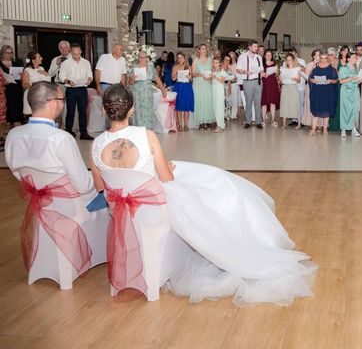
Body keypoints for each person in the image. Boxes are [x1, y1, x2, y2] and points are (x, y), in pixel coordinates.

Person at [91, 84, 316, 306]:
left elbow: (101, 186)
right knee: (213, 182)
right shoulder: (146, 136)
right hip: (154, 208)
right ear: (132, 109)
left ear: (104, 110)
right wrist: (163, 167)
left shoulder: (96, 145)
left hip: (123, 211)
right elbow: (167, 179)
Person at [6, 81, 95, 207]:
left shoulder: (13, 135)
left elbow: (18, 173)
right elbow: (84, 186)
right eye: (62, 100)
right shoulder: (61, 138)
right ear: (52, 103)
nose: (63, 104)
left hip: (40, 201)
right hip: (73, 204)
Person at [59, 43, 94, 140]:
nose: (76, 56)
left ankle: (84, 133)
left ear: (81, 52)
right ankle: (69, 131)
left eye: (78, 54)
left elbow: (90, 75)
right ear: (71, 52)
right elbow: (61, 76)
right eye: (74, 54)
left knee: (83, 112)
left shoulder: (86, 62)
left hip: (82, 89)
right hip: (71, 89)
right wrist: (68, 81)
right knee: (70, 111)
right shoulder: (65, 63)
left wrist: (90, 79)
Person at [129, 49, 166, 130]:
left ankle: (148, 128)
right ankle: (138, 128)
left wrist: (163, 89)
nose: (142, 59)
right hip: (137, 92)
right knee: (139, 110)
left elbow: (157, 78)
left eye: (144, 57)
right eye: (140, 57)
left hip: (148, 92)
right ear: (138, 58)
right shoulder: (134, 67)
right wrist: (132, 78)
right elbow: (130, 82)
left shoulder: (150, 67)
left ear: (147, 58)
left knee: (148, 110)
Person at [309, 51, 339, 135]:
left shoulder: (332, 69)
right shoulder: (315, 68)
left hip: (327, 92)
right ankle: (313, 129)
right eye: (321, 58)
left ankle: (325, 129)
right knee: (316, 110)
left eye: (325, 58)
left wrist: (330, 81)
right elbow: (310, 78)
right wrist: (312, 80)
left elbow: (336, 80)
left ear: (328, 58)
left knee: (326, 111)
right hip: (317, 92)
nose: (323, 60)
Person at [237, 41, 264, 129]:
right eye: (255, 47)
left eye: (257, 47)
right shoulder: (242, 57)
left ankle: (258, 122)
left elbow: (261, 69)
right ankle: (248, 121)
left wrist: (263, 73)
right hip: (247, 81)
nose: (257, 49)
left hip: (258, 81)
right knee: (248, 102)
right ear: (249, 47)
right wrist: (244, 71)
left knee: (258, 102)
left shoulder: (258, 57)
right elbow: (238, 69)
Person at [191, 44, 214, 130]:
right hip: (199, 83)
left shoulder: (210, 60)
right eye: (202, 48)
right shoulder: (195, 60)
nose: (204, 50)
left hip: (207, 82)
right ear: (199, 50)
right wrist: (199, 74)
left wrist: (209, 77)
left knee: (208, 101)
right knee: (200, 101)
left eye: (205, 48)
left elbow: (213, 72)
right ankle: (201, 122)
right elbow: (192, 73)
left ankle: (208, 121)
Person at [338, 52, 362, 137]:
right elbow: (341, 81)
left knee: (355, 109)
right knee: (345, 110)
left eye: (356, 58)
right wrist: (351, 78)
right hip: (346, 91)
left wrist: (360, 79)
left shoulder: (357, 68)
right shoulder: (343, 68)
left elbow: (359, 79)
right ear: (348, 59)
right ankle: (343, 129)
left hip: (355, 91)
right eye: (353, 58)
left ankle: (354, 129)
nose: (355, 59)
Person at [21, 51, 51, 117]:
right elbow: (24, 85)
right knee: (33, 115)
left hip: (42, 95)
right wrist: (35, 84)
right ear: (33, 60)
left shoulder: (41, 68)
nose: (41, 58)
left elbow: (48, 82)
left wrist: (46, 74)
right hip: (32, 95)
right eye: (39, 57)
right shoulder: (27, 71)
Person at [1, 45, 23, 126]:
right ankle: (6, 133)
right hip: (5, 91)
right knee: (7, 112)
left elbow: (21, 78)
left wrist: (22, 76)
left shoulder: (17, 62)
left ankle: (16, 132)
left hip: (16, 90)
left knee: (17, 111)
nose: (9, 55)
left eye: (11, 53)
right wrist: (3, 82)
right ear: (2, 53)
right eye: (7, 53)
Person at [172, 52, 194, 131]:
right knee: (179, 107)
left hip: (187, 86)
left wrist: (189, 77)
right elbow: (173, 79)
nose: (180, 59)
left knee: (186, 107)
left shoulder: (188, 66)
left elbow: (191, 79)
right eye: (178, 57)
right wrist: (178, 73)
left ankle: (186, 125)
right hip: (178, 87)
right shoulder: (175, 67)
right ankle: (180, 125)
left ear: (184, 58)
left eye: (181, 57)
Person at [279, 53, 302, 130]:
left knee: (296, 104)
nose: (289, 62)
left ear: (293, 60)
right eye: (287, 60)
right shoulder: (283, 69)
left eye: (290, 60)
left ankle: (299, 124)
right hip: (285, 88)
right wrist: (281, 81)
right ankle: (284, 124)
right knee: (284, 104)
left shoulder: (297, 69)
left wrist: (296, 79)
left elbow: (299, 81)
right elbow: (280, 81)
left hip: (293, 87)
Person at [329, 45, 349, 132]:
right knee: (338, 103)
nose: (345, 53)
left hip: (348, 84)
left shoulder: (350, 60)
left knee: (346, 105)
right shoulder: (338, 61)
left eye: (347, 51)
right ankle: (336, 124)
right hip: (338, 84)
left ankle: (347, 125)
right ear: (341, 52)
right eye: (344, 51)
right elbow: (334, 71)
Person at [261, 50, 280, 126]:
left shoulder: (275, 63)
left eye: (270, 55)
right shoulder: (261, 64)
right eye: (267, 55)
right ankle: (263, 121)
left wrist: (276, 72)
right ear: (264, 56)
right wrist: (263, 74)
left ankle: (273, 120)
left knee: (273, 102)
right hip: (264, 84)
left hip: (273, 84)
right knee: (264, 102)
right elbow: (259, 74)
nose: (269, 56)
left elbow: (277, 75)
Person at [302, 49, 320, 128]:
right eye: (317, 55)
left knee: (320, 104)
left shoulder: (322, 64)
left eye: (320, 55)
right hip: (310, 87)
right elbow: (306, 75)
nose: (318, 56)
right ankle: (310, 123)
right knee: (310, 104)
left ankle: (319, 124)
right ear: (313, 56)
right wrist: (314, 65)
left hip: (320, 87)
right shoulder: (309, 64)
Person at [290, 47, 306, 126]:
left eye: (294, 53)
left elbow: (305, 70)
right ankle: (294, 119)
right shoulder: (287, 61)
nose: (292, 55)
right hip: (291, 85)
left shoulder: (301, 61)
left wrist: (297, 63)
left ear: (296, 53)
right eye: (291, 54)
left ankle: (302, 120)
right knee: (293, 103)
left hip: (300, 85)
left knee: (300, 103)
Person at [210, 57, 226, 132]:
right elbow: (212, 81)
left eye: (216, 62)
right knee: (215, 107)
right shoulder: (213, 71)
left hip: (219, 89)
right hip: (214, 89)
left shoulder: (221, 70)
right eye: (214, 62)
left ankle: (220, 125)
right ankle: (218, 124)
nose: (214, 64)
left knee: (219, 107)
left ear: (220, 63)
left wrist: (215, 76)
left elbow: (222, 81)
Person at [227, 51, 240, 120]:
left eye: (232, 55)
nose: (231, 56)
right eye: (230, 54)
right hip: (227, 83)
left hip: (235, 83)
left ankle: (233, 116)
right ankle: (227, 115)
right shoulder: (226, 64)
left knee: (235, 99)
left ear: (235, 56)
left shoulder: (238, 64)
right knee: (228, 99)